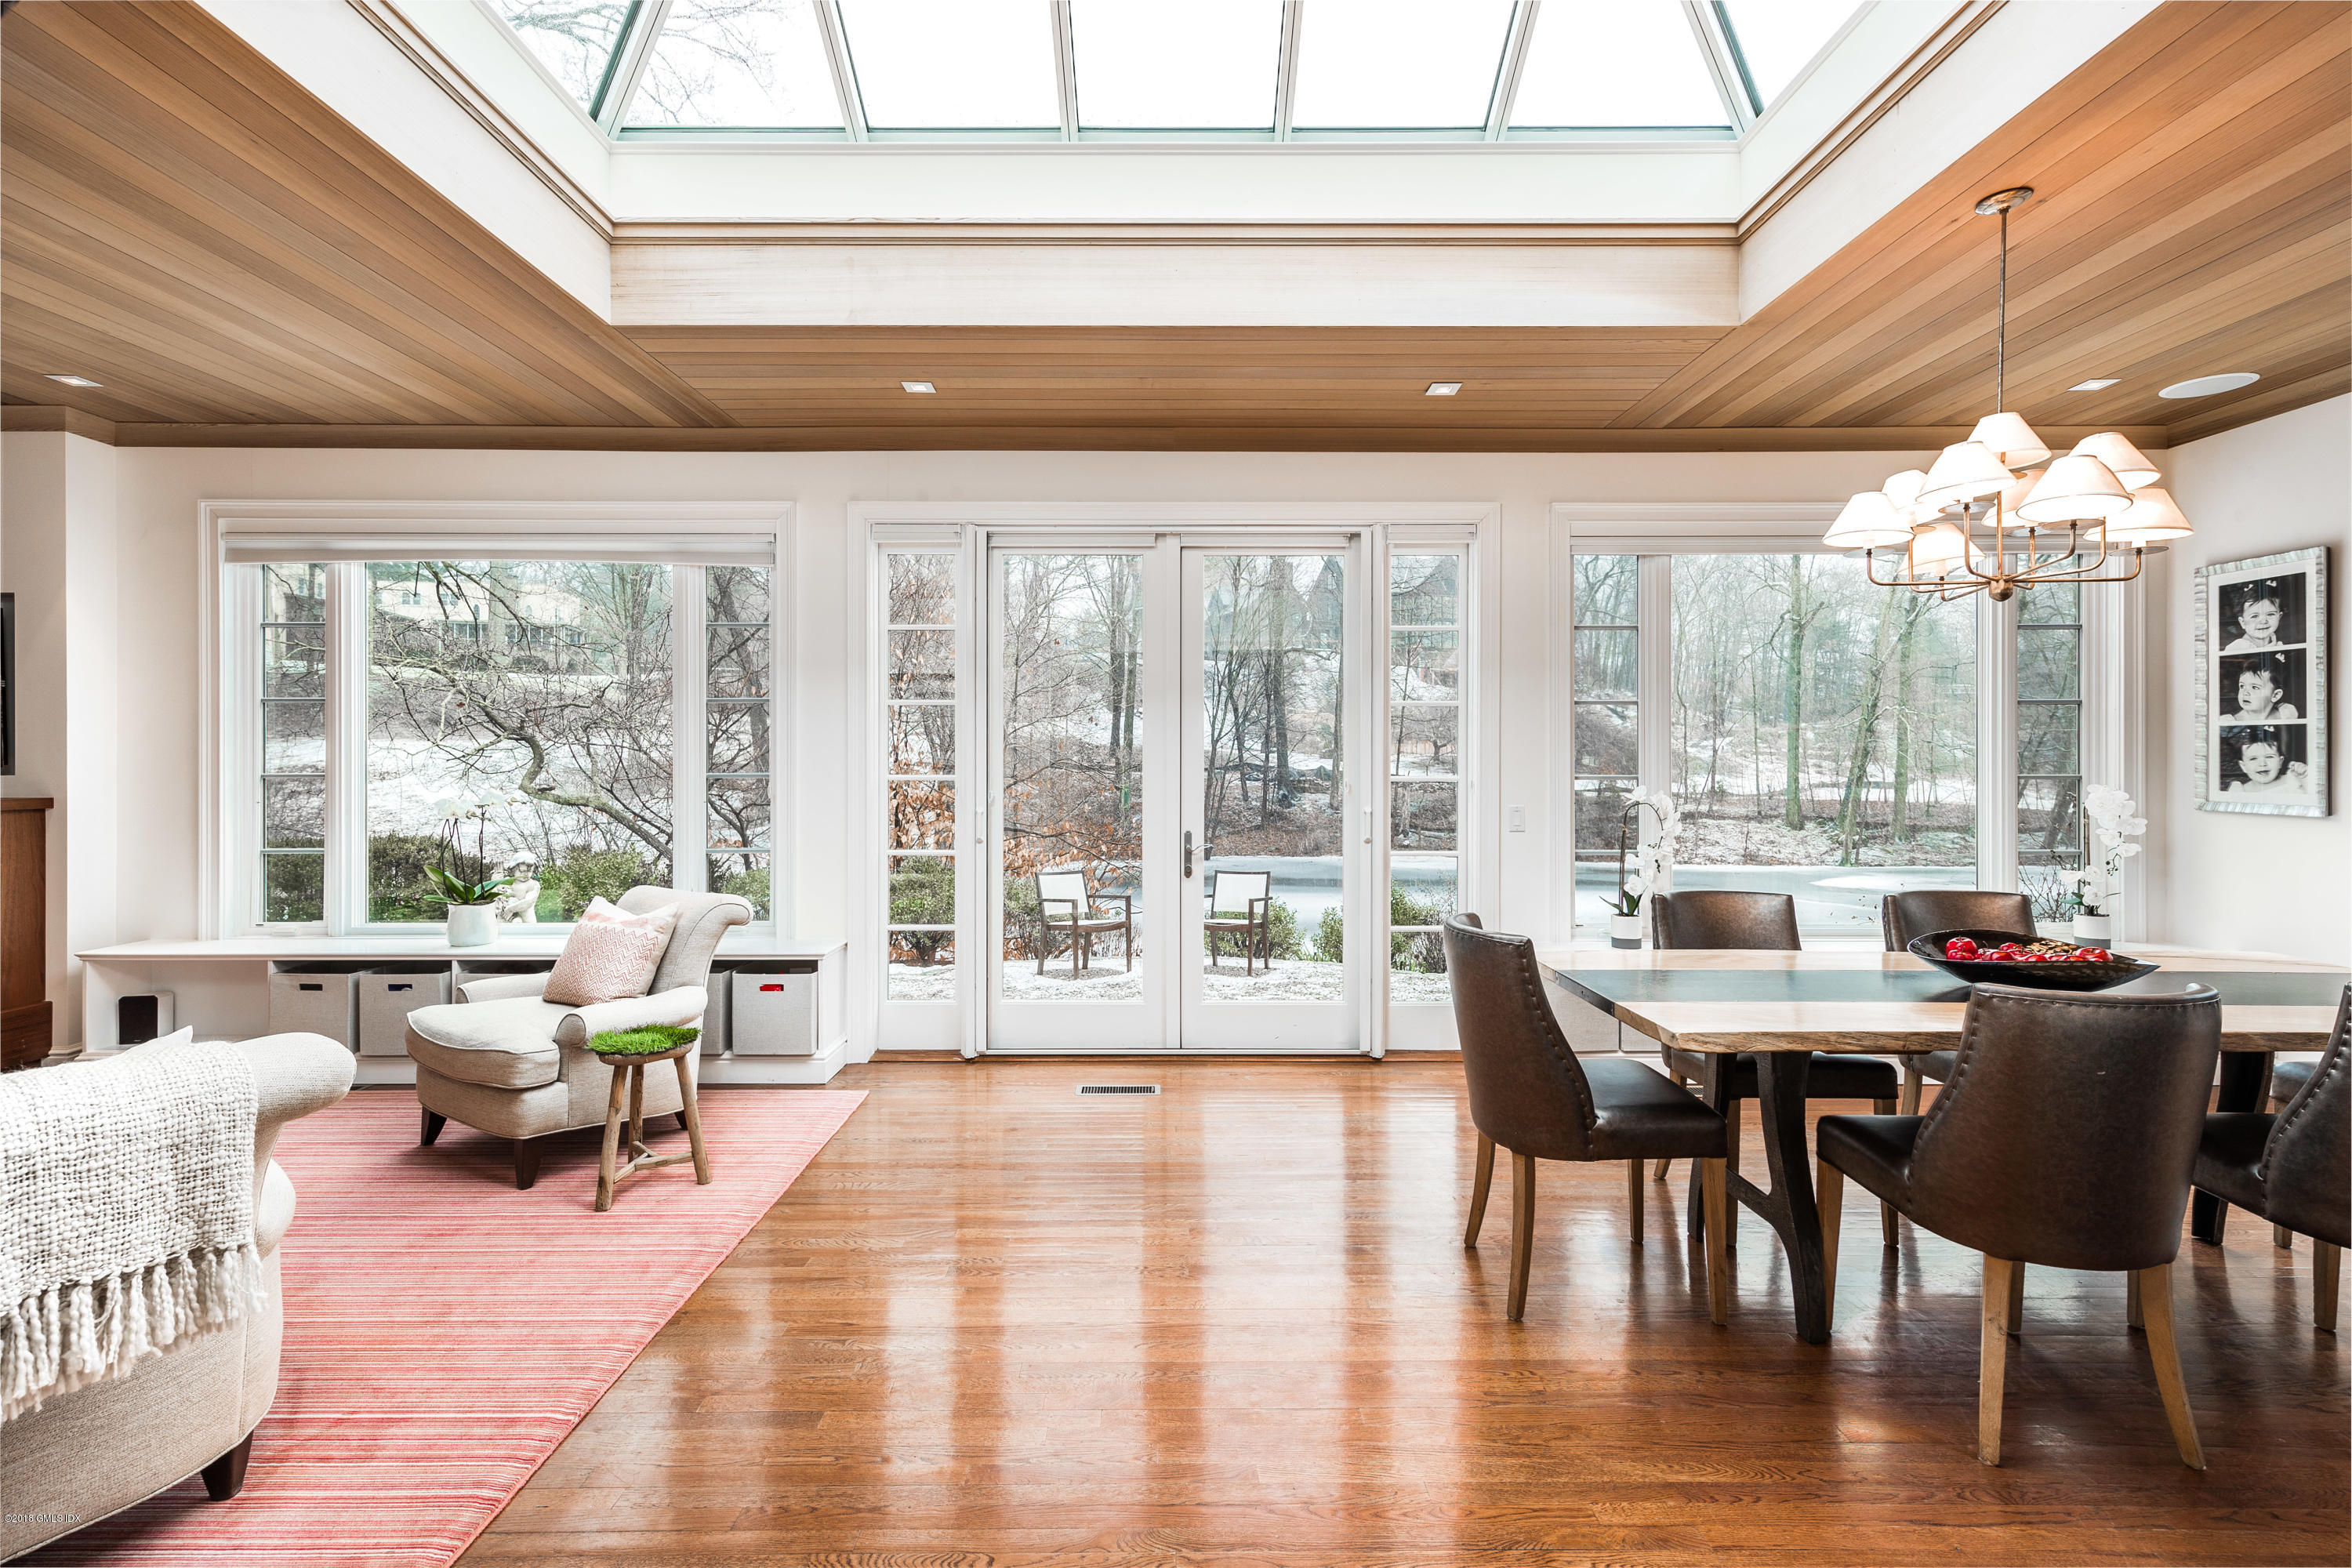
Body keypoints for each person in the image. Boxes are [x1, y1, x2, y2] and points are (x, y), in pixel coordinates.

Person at [2224, 732, 2310, 797]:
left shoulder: (2293, 780)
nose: (2262, 764)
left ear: (2280, 762)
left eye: (2269, 757)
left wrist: (2305, 776)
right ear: (2243, 766)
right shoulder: (2240, 791)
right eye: (2253, 759)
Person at [2222, 583, 2290, 652]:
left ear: (2279, 617)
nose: (2263, 621)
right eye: (2254, 616)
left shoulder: (2278, 644)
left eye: (2270, 614)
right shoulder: (2237, 648)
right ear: (2242, 622)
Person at [2229, 659, 2300, 721]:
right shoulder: (2230, 721)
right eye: (2242, 686)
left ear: (2275, 695)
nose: (2245, 693)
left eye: (2255, 687)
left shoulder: (2287, 713)